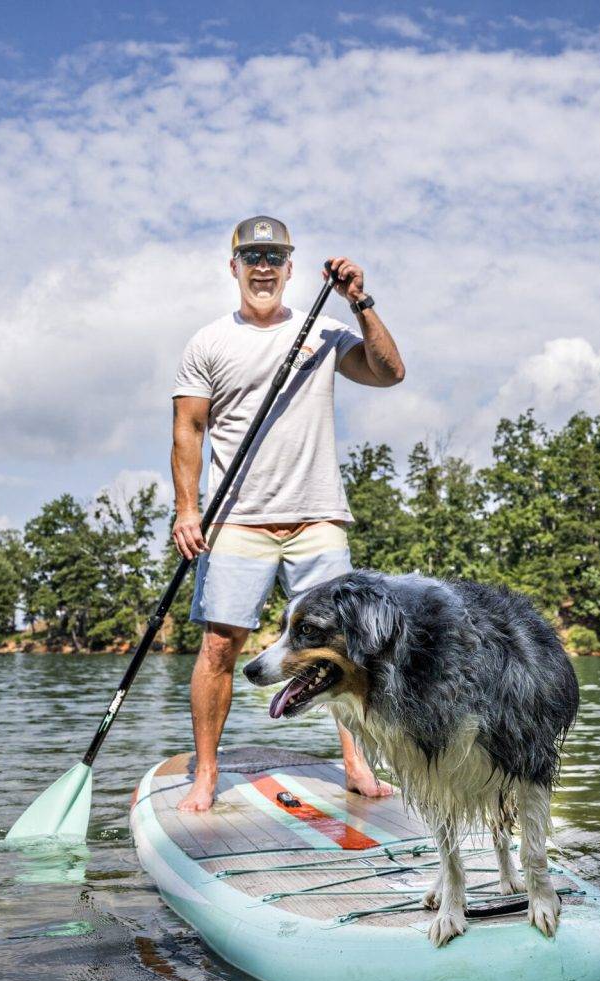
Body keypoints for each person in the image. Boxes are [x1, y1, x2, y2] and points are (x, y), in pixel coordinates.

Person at [170, 216, 406, 812]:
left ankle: (357, 764)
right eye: (252, 256)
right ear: (234, 267)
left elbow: (389, 373)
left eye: (275, 255)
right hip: (237, 521)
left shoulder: (322, 330)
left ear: (291, 266)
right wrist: (187, 510)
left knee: (348, 647)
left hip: (318, 516)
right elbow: (188, 429)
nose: (263, 267)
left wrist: (361, 303)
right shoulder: (208, 343)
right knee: (221, 648)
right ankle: (205, 773)